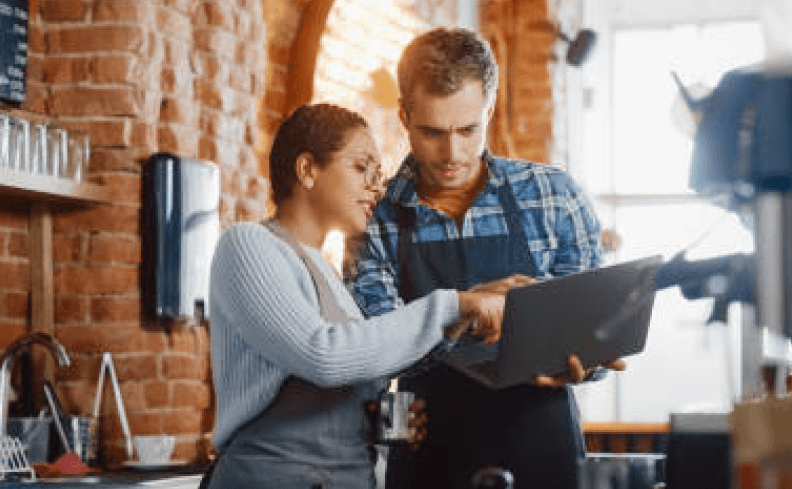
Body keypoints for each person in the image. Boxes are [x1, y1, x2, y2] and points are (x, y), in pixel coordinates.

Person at [348, 27, 624, 489]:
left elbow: (591, 329)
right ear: (404, 117)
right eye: (432, 132)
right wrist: (466, 308)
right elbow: (375, 354)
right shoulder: (372, 218)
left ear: (489, 109)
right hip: (429, 456)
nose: (452, 153)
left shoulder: (554, 196)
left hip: (543, 449)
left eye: (468, 130)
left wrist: (587, 360)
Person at [204, 103, 508, 489]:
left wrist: (379, 422)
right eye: (362, 167)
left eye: (378, 174)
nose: (377, 187)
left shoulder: (329, 275)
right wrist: (452, 305)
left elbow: (345, 372)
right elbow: (322, 354)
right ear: (307, 170)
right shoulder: (247, 244)